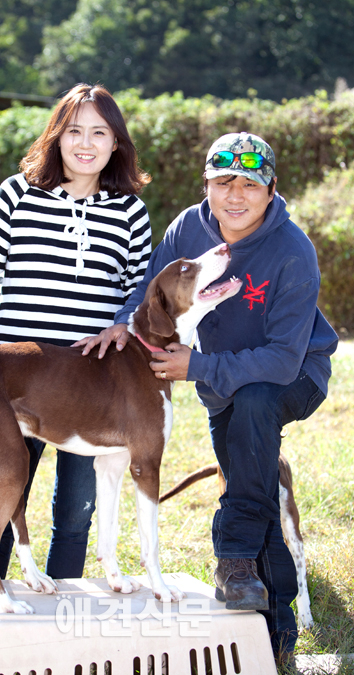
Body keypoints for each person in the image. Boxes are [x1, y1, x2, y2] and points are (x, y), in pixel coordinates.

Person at [77, 132, 338, 668]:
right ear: (207, 186)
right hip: (222, 386)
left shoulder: (292, 251)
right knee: (252, 472)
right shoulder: (187, 229)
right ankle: (271, 637)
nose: (235, 196)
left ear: (270, 191)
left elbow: (284, 360)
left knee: (259, 405)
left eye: (249, 184)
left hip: (293, 376)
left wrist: (196, 367)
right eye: (223, 183)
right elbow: (150, 289)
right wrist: (122, 324)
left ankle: (239, 563)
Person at [0, 82, 152, 580]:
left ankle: (62, 611)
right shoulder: (17, 193)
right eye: (74, 131)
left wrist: (121, 324)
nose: (86, 143)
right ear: (56, 136)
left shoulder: (130, 211)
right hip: (13, 376)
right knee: (4, 499)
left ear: (117, 143)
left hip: (90, 383)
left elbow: (138, 293)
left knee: (76, 511)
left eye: (100, 132)